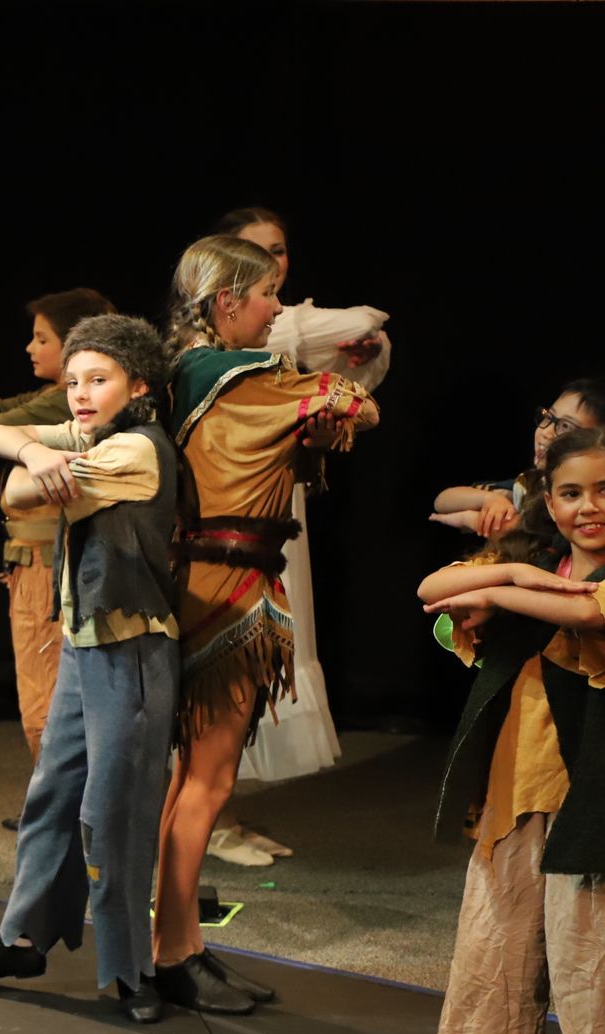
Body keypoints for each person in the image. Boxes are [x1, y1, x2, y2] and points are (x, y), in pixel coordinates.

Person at [153, 235, 379, 1014]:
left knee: (190, 779)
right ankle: (172, 950)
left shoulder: (194, 374)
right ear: (224, 304)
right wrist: (330, 404)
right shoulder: (235, 372)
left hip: (213, 573)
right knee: (205, 780)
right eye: (263, 296)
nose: (276, 308)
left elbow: (289, 448)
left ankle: (178, 942)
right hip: (228, 585)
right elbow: (353, 402)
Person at [0, 316, 178, 1023]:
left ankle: (133, 969)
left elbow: (16, 497)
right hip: (86, 643)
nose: (79, 394)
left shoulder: (135, 449)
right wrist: (30, 449)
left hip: (131, 647)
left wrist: (34, 466)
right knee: (50, 794)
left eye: (97, 380)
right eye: (73, 381)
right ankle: (21, 936)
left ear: (137, 386)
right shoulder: (91, 437)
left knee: (115, 812)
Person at [419, 426, 605, 1034]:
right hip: (519, 783)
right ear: (548, 498)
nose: (588, 507)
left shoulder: (575, 584)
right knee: (502, 949)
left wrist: (501, 588)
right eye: (570, 493)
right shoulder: (550, 562)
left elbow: (595, 616)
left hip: (591, 797)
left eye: (604, 491)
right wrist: (522, 569)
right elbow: (433, 590)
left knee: (589, 968)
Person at [210, 207, 394, 862]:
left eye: (280, 249)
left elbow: (353, 379)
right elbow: (361, 322)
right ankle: (210, 817)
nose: (274, 263)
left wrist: (351, 365)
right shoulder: (254, 332)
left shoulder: (279, 327)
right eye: (257, 251)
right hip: (233, 513)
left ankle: (221, 810)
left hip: (282, 505)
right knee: (233, 655)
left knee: (265, 656)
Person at [0, 289, 116, 804]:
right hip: (46, 567)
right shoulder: (59, 401)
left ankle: (62, 816)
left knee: (46, 706)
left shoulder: (63, 406)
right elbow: (1, 412)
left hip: (47, 571)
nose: (30, 347)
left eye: (42, 338)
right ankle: (67, 814)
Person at [431, 381, 605, 538]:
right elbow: (443, 500)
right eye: (548, 417)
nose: (546, 432)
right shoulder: (529, 485)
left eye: (565, 426)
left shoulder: (585, 503)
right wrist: (488, 500)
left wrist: (473, 520)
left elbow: (536, 535)